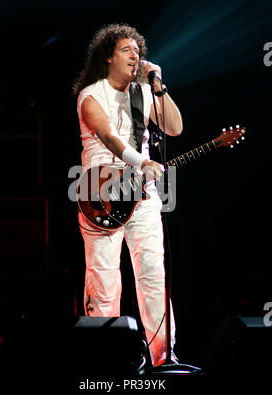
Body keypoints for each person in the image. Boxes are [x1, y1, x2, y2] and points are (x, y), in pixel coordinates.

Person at [73, 23, 183, 367]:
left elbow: (175, 128)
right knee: (105, 280)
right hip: (100, 197)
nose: (136, 56)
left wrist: (159, 87)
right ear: (108, 56)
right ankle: (105, 359)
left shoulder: (144, 93)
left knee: (153, 274)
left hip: (143, 197)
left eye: (139, 51)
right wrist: (142, 160)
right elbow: (106, 135)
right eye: (127, 50)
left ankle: (163, 357)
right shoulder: (91, 94)